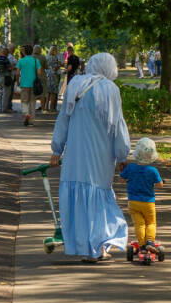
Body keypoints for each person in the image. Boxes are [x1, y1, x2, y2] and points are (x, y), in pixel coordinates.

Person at [48, 52, 131, 263]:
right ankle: (98, 248)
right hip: (101, 153)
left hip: (75, 153)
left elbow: (63, 119)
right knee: (99, 195)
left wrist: (57, 150)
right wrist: (123, 154)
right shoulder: (111, 90)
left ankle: (83, 245)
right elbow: (118, 125)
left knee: (78, 194)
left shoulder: (76, 84)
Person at [120, 138, 163, 250]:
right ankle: (150, 242)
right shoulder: (153, 170)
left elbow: (122, 179)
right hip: (148, 202)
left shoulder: (130, 168)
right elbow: (160, 184)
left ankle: (142, 245)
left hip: (133, 202)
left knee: (139, 224)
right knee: (151, 223)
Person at [18, 44, 42, 126]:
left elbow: (17, 73)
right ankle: (31, 121)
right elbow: (39, 72)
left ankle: (26, 113)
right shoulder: (36, 61)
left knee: (24, 101)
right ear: (32, 51)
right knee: (33, 102)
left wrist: (18, 81)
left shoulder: (21, 61)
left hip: (24, 84)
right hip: (33, 84)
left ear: (24, 52)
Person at [0, 46, 14, 112]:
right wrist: (14, 67)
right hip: (6, 78)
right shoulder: (6, 59)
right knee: (6, 94)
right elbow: (9, 68)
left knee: (0, 94)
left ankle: (0, 108)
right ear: (7, 53)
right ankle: (4, 109)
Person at [44, 45, 62, 112]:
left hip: (48, 75)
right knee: (53, 92)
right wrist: (58, 66)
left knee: (48, 92)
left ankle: (46, 107)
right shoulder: (54, 58)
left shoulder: (47, 57)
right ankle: (51, 107)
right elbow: (56, 67)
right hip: (53, 76)